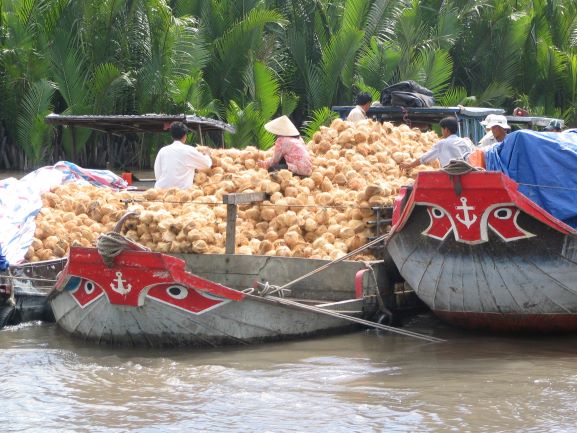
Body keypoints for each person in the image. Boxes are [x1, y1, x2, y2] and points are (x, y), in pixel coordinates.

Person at [154, 121, 212, 189]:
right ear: (185, 136)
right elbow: (207, 164)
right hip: (181, 193)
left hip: (161, 190)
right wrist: (207, 154)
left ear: (172, 136)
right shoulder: (189, 150)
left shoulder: (162, 150)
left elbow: (157, 172)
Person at [399, 117, 473, 170]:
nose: (442, 132)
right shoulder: (466, 141)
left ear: (446, 130)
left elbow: (424, 158)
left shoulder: (442, 143)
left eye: (442, 129)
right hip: (467, 174)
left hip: (450, 177)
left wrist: (410, 165)